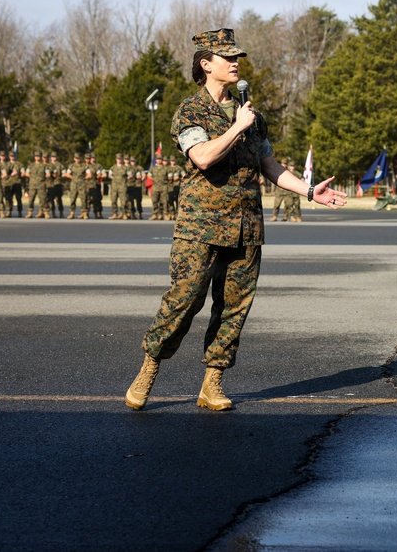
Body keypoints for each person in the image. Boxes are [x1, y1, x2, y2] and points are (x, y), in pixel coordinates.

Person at [125, 29, 346, 412]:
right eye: (226, 57)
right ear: (205, 64)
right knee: (184, 301)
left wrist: (309, 192)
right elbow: (203, 158)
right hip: (201, 227)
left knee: (233, 308)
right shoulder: (191, 112)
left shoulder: (251, 115)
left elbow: (269, 164)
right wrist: (237, 127)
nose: (235, 62)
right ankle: (149, 368)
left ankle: (212, 383)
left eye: (237, 56)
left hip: (246, 227)